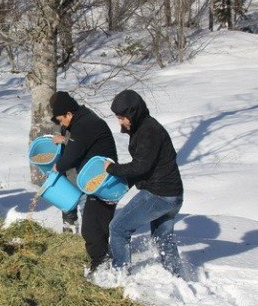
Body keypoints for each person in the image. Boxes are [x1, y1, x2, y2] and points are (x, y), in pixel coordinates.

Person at [104, 89, 184, 275]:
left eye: (122, 117)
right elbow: (147, 166)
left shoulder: (148, 131)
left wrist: (112, 169)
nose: (120, 122)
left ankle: (119, 275)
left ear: (133, 113)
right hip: (173, 195)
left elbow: (140, 167)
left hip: (160, 195)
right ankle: (176, 275)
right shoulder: (144, 127)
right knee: (163, 238)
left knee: (117, 228)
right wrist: (120, 188)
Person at [50, 91, 118, 271]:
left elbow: (72, 154)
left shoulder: (84, 125)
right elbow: (77, 145)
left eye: (61, 119)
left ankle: (103, 267)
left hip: (103, 182)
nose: (61, 124)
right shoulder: (81, 120)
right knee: (93, 227)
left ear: (69, 114)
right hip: (92, 179)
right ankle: (101, 262)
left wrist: (57, 167)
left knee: (93, 228)